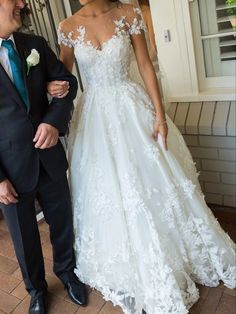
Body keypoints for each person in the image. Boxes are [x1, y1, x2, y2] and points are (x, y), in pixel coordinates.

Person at [51, 0, 236, 313]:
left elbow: (146, 65)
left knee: (154, 180)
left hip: (131, 108)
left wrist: (160, 116)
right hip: (94, 118)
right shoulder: (67, 27)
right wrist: (53, 88)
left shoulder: (127, 13)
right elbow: (65, 78)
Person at [0, 1, 87, 313]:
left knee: (62, 221)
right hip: (9, 169)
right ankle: (36, 290)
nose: (23, 3)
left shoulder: (35, 45)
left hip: (49, 158)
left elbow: (70, 83)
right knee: (24, 237)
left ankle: (68, 273)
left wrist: (53, 120)